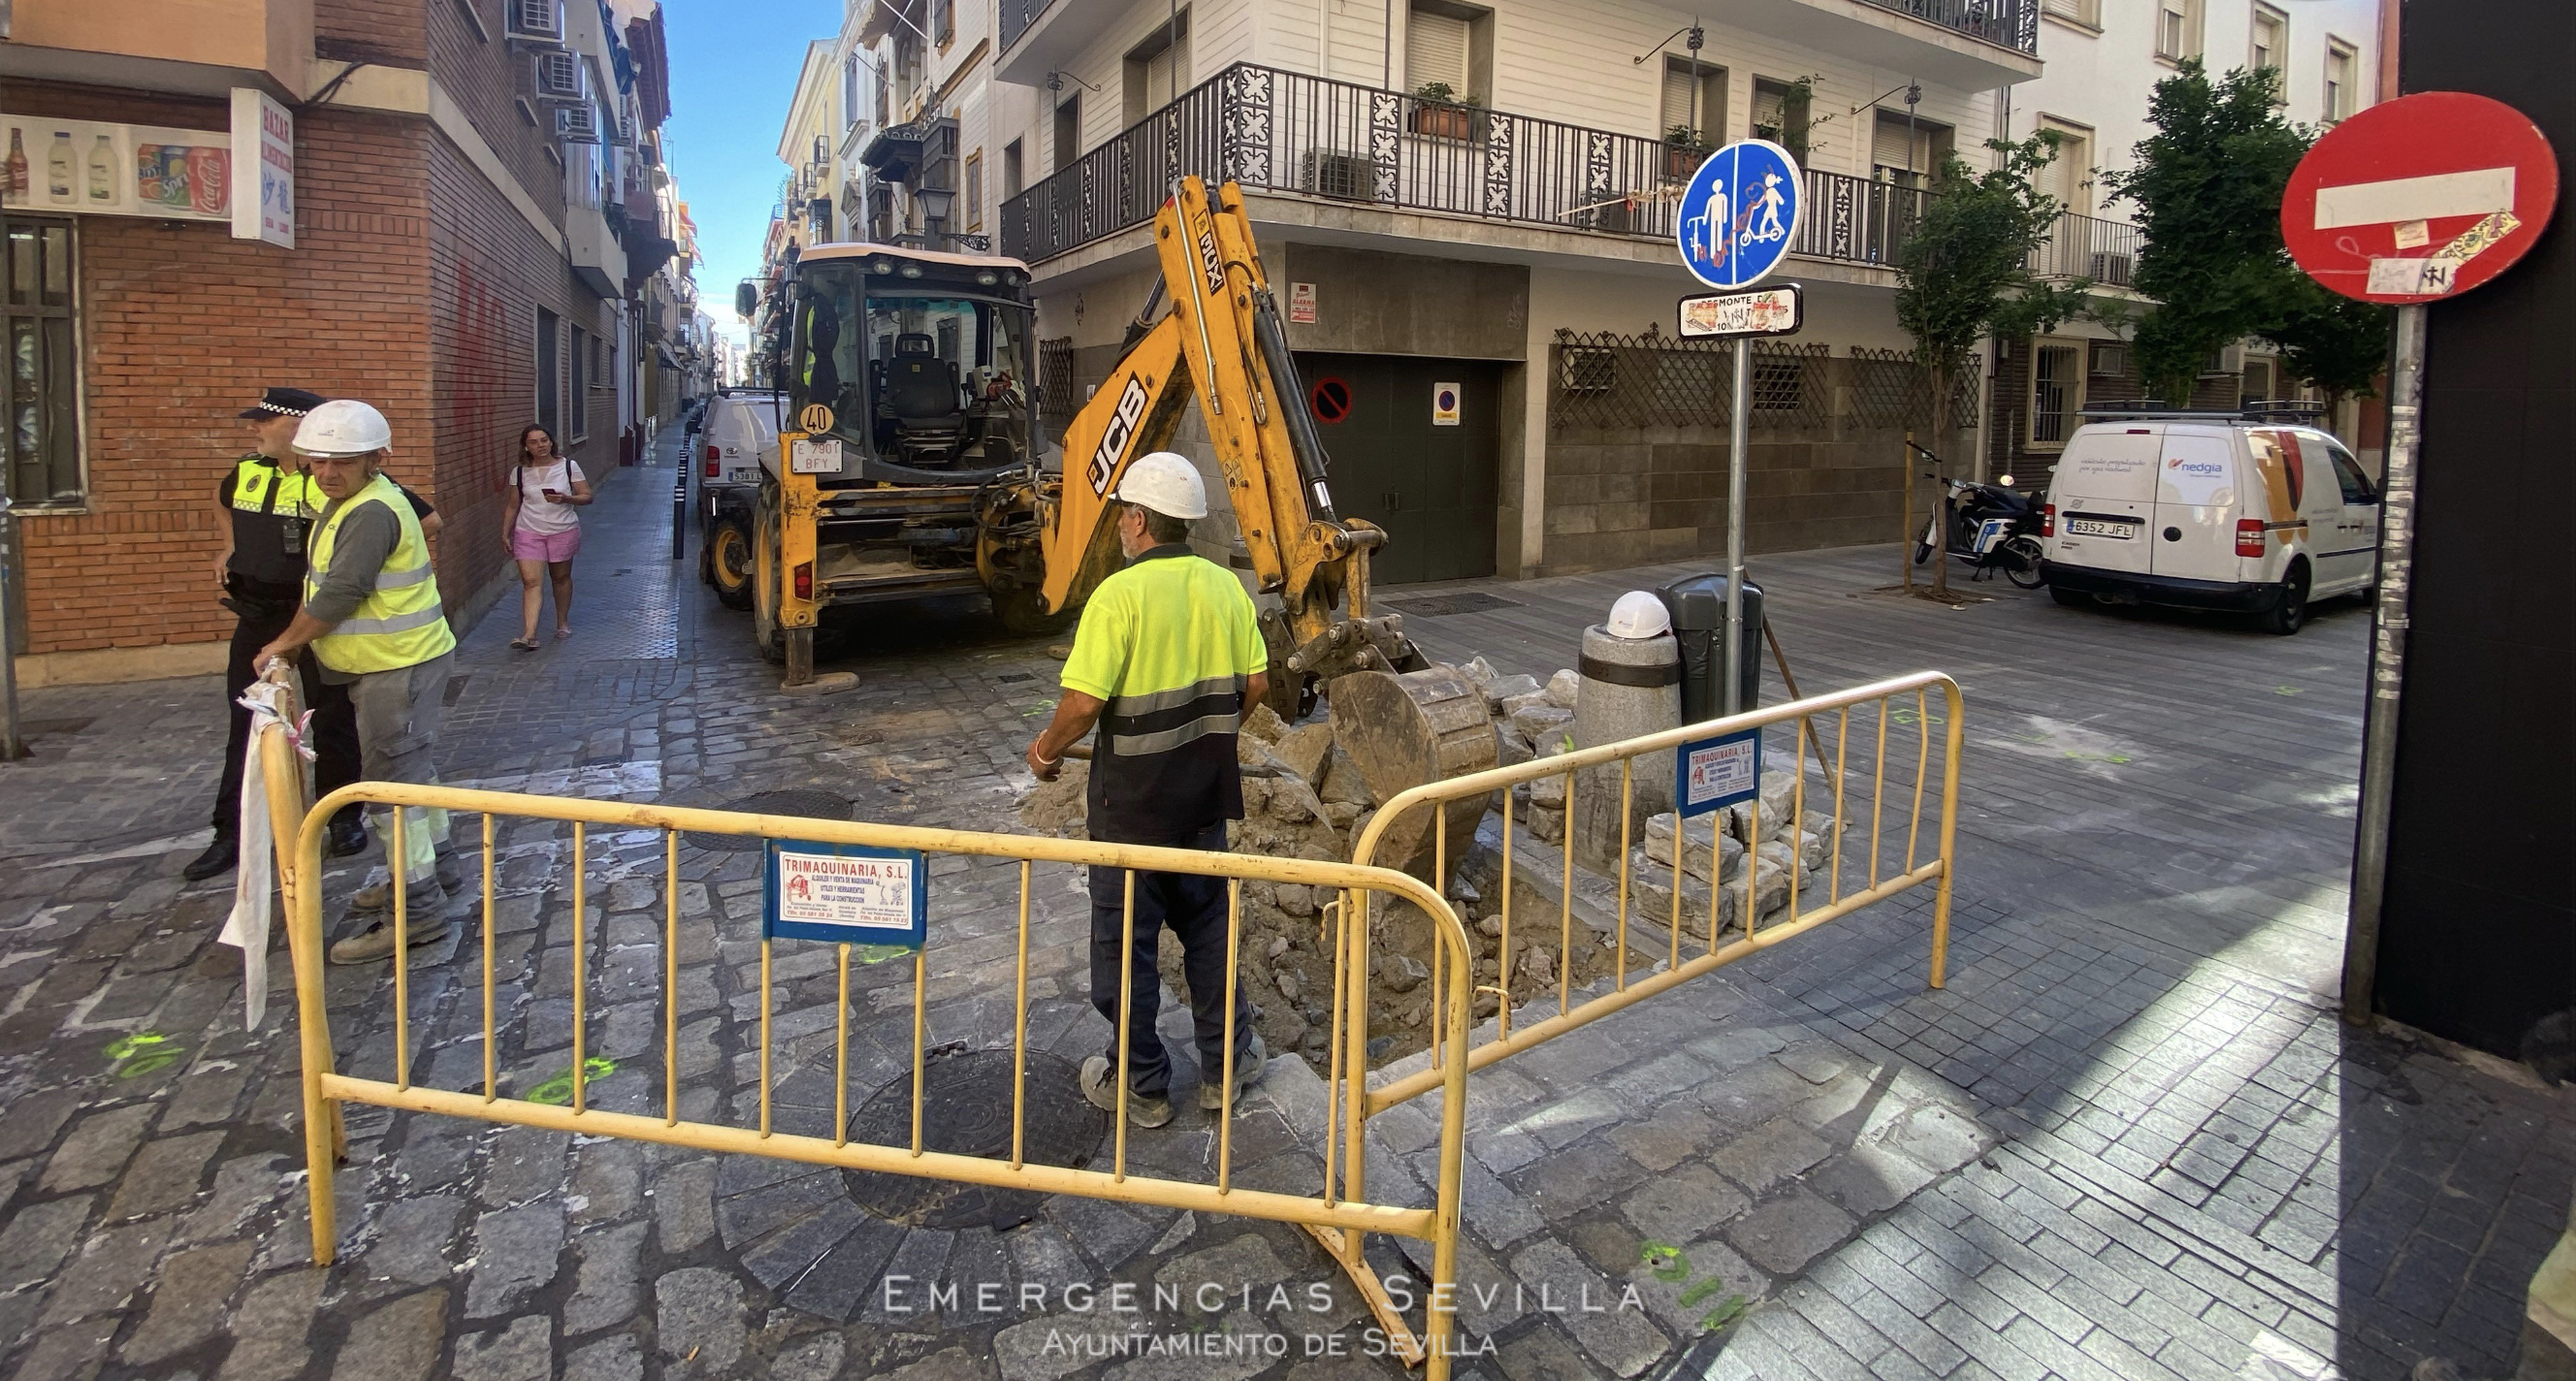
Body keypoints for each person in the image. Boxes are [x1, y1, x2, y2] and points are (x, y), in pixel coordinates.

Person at [1025, 452, 1271, 1127]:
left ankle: (1142, 1086)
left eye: (1123, 516)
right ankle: (1226, 1070)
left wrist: (1045, 751)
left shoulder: (1118, 596)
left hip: (1130, 811)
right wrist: (1214, 733)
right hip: (1204, 801)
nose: (1120, 527)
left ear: (1137, 520)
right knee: (1209, 935)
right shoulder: (1226, 590)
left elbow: (1081, 703)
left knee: (1126, 948)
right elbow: (1256, 686)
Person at [254, 400, 463, 965]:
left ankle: (418, 909)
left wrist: (284, 643)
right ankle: (433, 872)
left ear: (376, 459)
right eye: (317, 460)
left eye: (341, 462)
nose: (326, 472)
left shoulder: (369, 511)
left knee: (391, 788)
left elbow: (339, 594)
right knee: (411, 775)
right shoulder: (353, 501)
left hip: (399, 666)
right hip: (392, 663)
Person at [499, 424, 591, 650]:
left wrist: (566, 499)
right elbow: (513, 505)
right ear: (526, 447)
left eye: (543, 440)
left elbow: (587, 496)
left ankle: (562, 622)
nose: (540, 446)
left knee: (560, 578)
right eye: (533, 442)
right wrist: (505, 532)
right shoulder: (519, 472)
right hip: (528, 531)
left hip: (562, 530)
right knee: (531, 582)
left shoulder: (569, 467)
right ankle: (529, 634)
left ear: (551, 442)